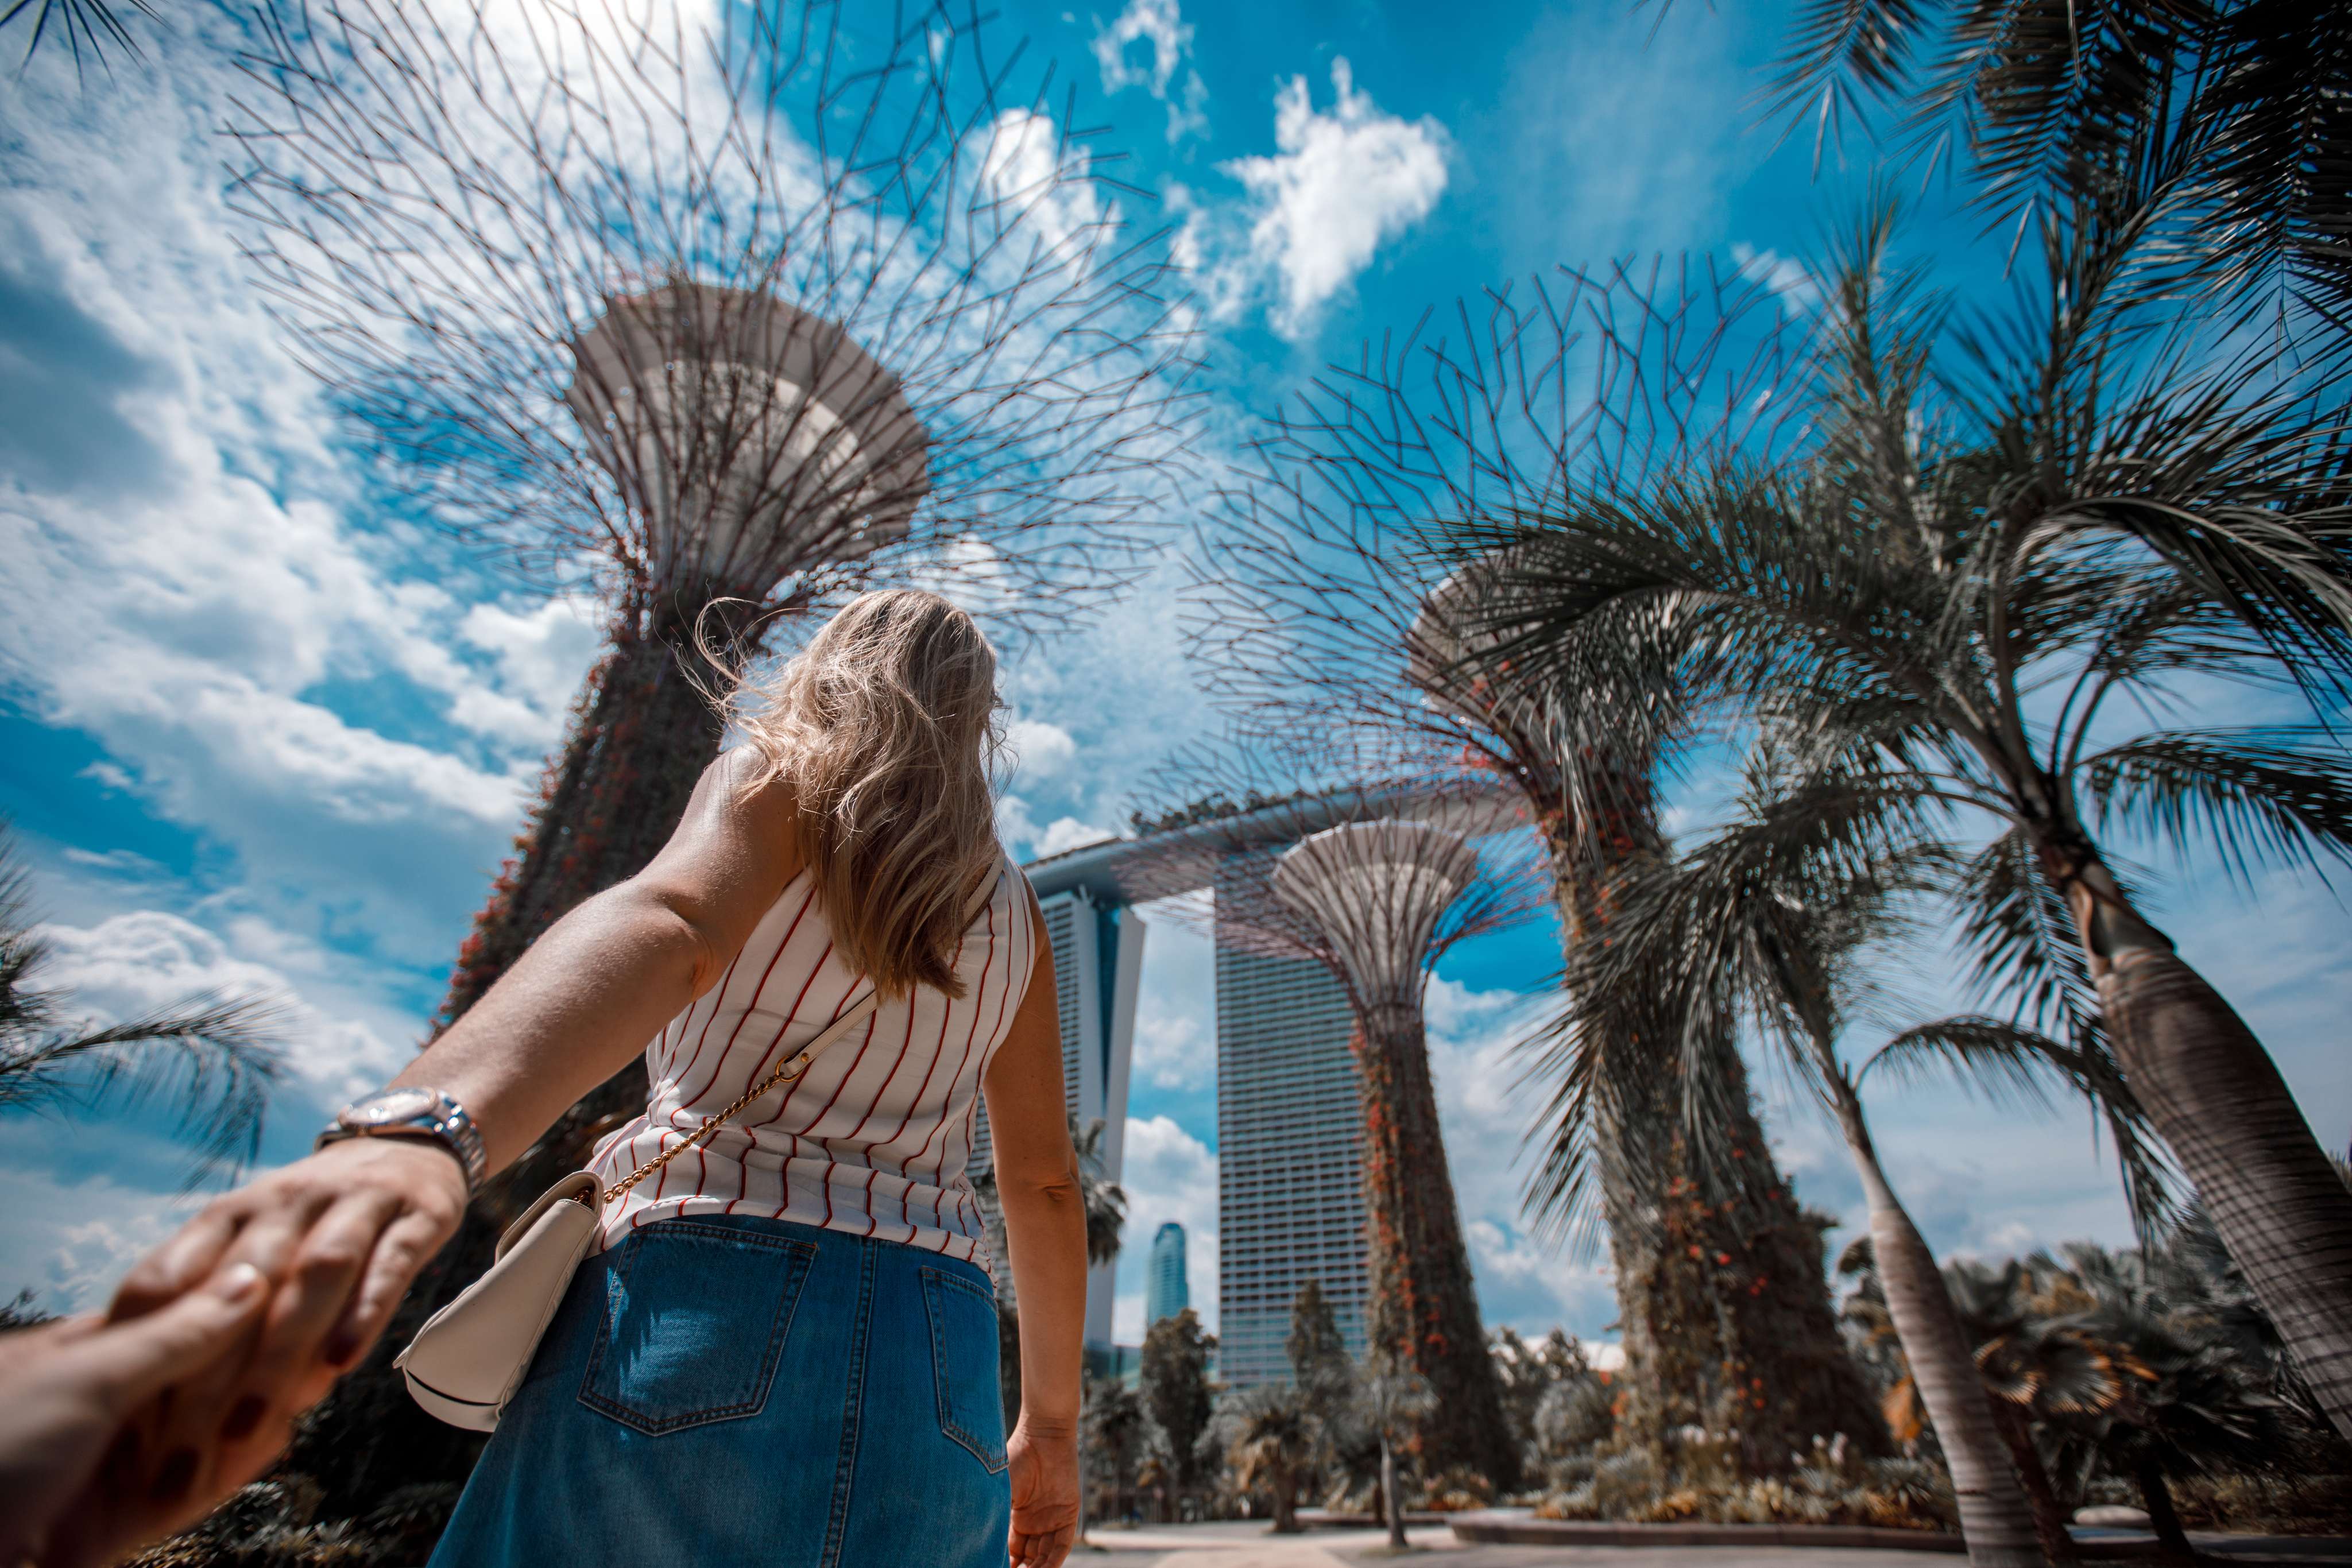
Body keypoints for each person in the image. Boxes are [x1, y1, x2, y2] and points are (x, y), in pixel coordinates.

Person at [82, 589, 1086, 1567]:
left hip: (706, 1289)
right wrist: (1050, 1432)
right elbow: (1041, 1185)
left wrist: (424, 1136)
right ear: (974, 719)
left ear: (835, 667)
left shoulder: (774, 784)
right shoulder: (1016, 915)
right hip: (944, 1355)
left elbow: (678, 929)